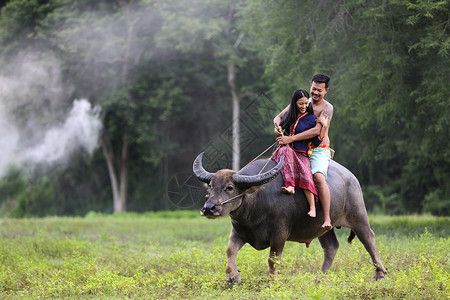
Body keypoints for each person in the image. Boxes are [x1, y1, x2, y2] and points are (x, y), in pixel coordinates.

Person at [274, 74, 333, 230]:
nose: (315, 93)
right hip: (297, 146)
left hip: (317, 148)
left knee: (318, 178)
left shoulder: (327, 108)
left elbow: (316, 131)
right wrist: (279, 130)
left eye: (319, 90)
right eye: (313, 89)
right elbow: (279, 117)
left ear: (326, 90)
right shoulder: (302, 100)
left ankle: (327, 218)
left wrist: (290, 139)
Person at [271, 89, 323, 218]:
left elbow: (317, 141)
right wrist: (278, 131)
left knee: (305, 173)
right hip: (284, 151)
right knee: (285, 150)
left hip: (300, 155)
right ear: (294, 103)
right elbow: (280, 126)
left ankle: (312, 207)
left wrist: (324, 127)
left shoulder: (312, 119)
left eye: (306, 103)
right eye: (301, 104)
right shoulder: (289, 115)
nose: (304, 107)